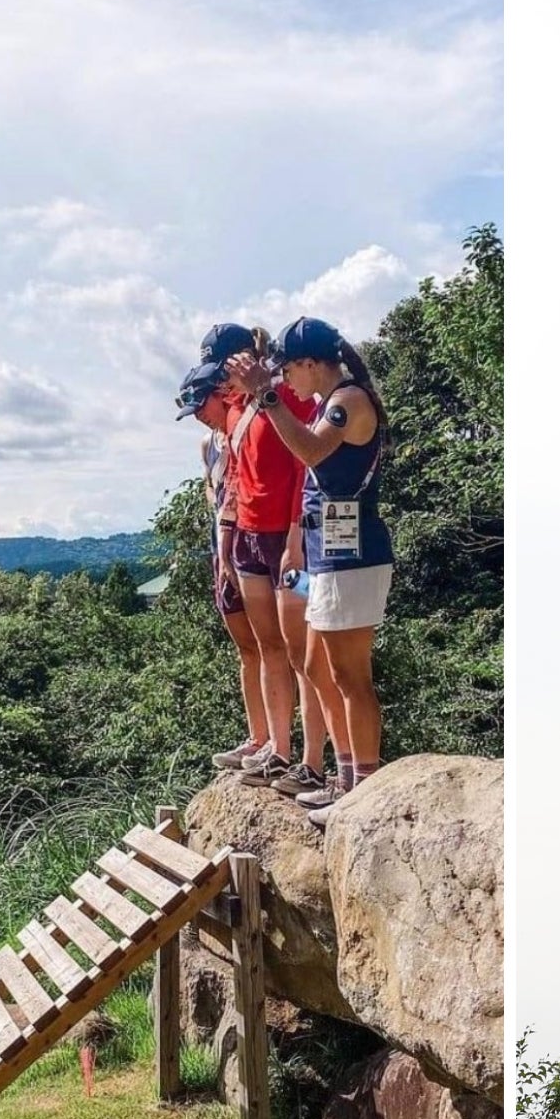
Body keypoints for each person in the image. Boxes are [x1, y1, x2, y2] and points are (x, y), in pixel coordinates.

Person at [228, 316, 391, 827]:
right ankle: (344, 779)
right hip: (325, 555)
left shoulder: (348, 402)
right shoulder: (331, 402)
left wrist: (265, 397)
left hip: (353, 555)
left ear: (310, 363)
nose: (285, 382)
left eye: (288, 371)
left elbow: (310, 449)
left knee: (349, 676)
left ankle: (361, 788)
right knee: (318, 666)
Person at [198, 323, 337, 800]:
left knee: (303, 652)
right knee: (267, 647)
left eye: (223, 374)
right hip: (251, 539)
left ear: (242, 360)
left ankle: (313, 762)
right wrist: (229, 544)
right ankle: (277, 748)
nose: (219, 386)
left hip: (288, 540)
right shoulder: (237, 408)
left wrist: (298, 535)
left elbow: (308, 465)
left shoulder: (285, 396)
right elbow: (234, 477)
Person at [173, 359, 268, 772]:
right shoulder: (210, 445)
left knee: (276, 647)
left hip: (253, 545)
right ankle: (257, 736)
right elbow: (213, 492)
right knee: (247, 649)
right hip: (222, 549)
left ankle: (279, 744)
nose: (199, 416)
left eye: (201, 406)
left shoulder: (244, 429)